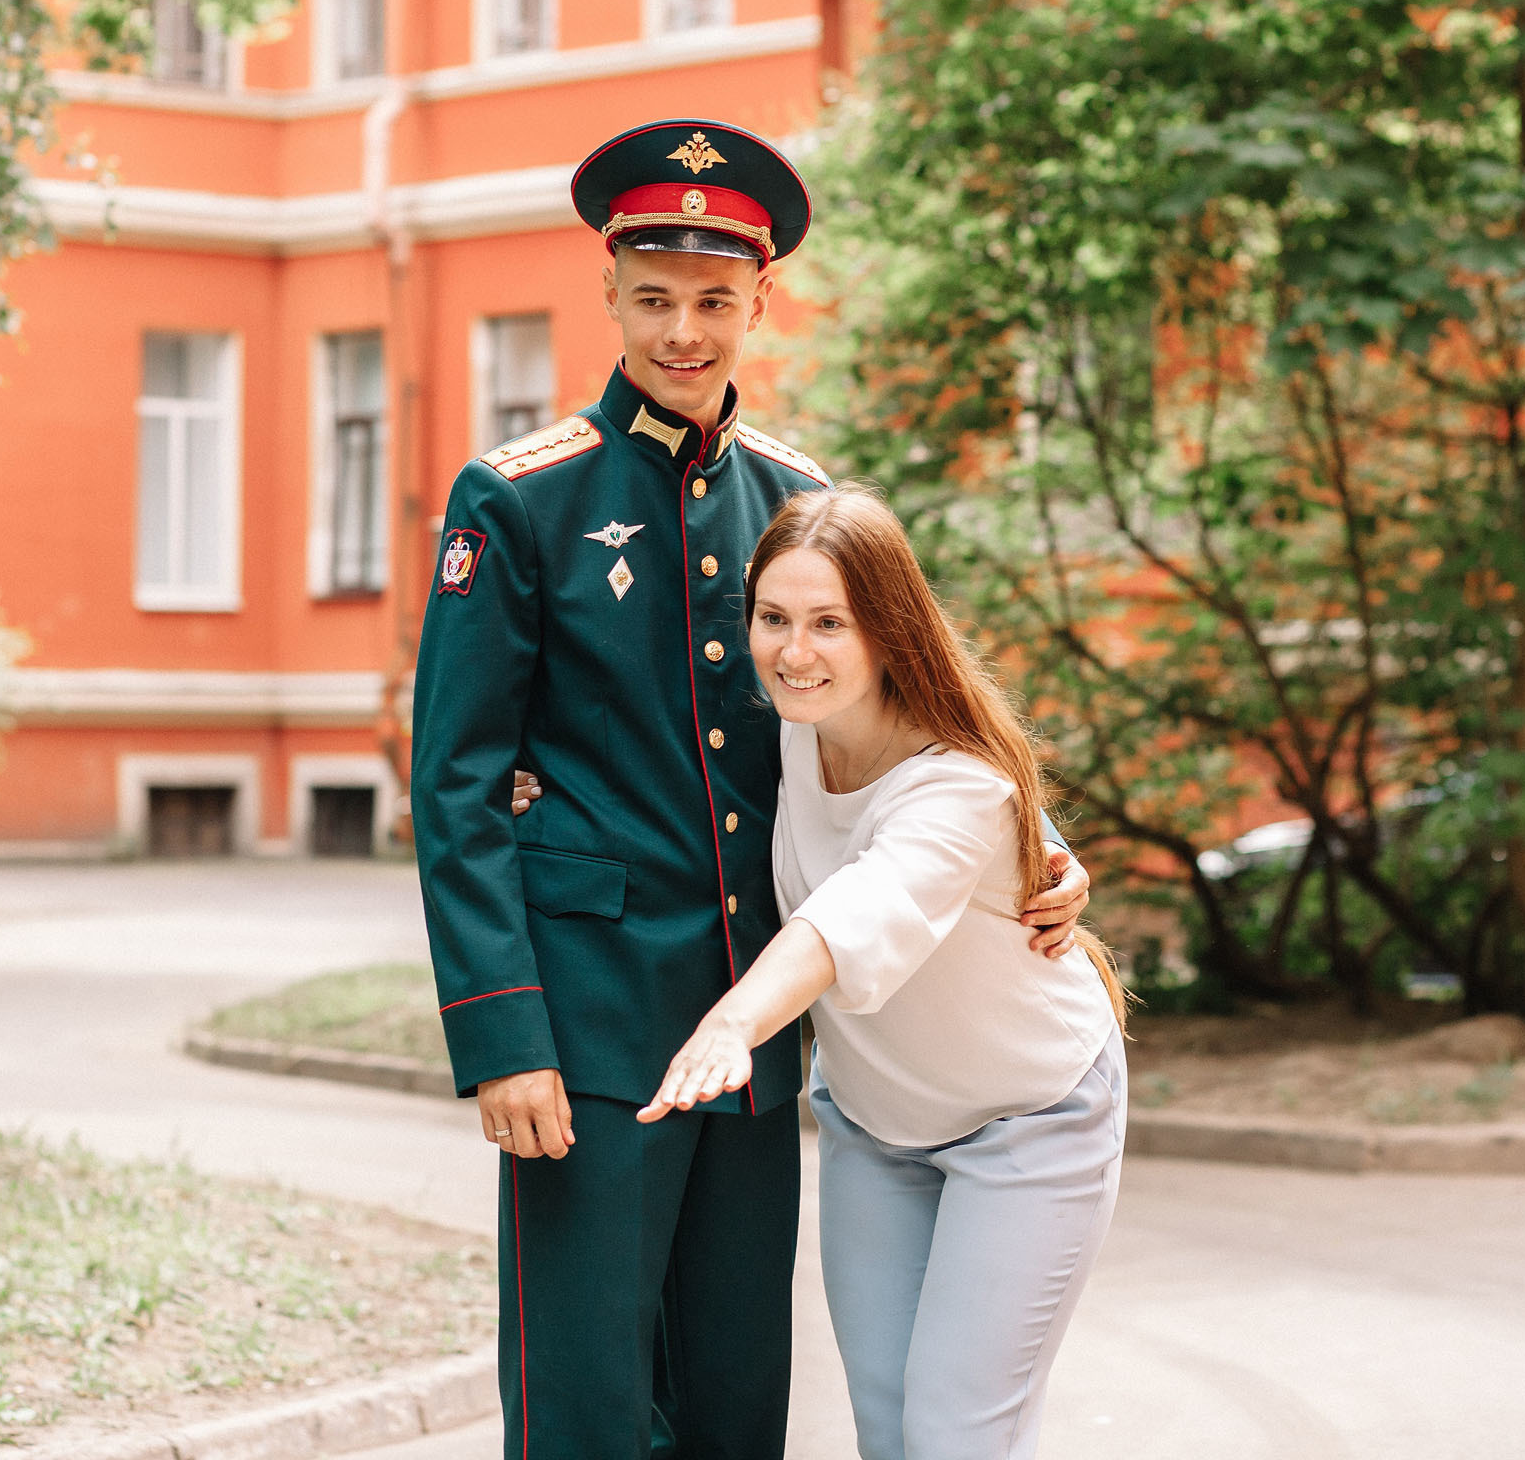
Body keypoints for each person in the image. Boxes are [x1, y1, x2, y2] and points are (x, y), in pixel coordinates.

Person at [410, 118, 1092, 1460]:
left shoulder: (797, 498)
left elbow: (894, 708)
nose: (684, 329)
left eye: (714, 300)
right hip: (591, 1032)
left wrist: (1041, 845)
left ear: (758, 301)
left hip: (761, 1033)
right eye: (654, 297)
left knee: (736, 1399)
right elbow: (457, 787)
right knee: (591, 1406)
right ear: (608, 293)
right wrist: (502, 1036)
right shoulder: (519, 500)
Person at [639, 483, 1131, 1460]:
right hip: (875, 1129)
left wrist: (736, 1021)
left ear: (889, 633)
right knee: (891, 1432)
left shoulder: (955, 782)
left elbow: (852, 914)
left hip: (1030, 1124)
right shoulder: (787, 727)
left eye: (830, 623)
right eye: (774, 619)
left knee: (954, 1437)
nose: (793, 650)